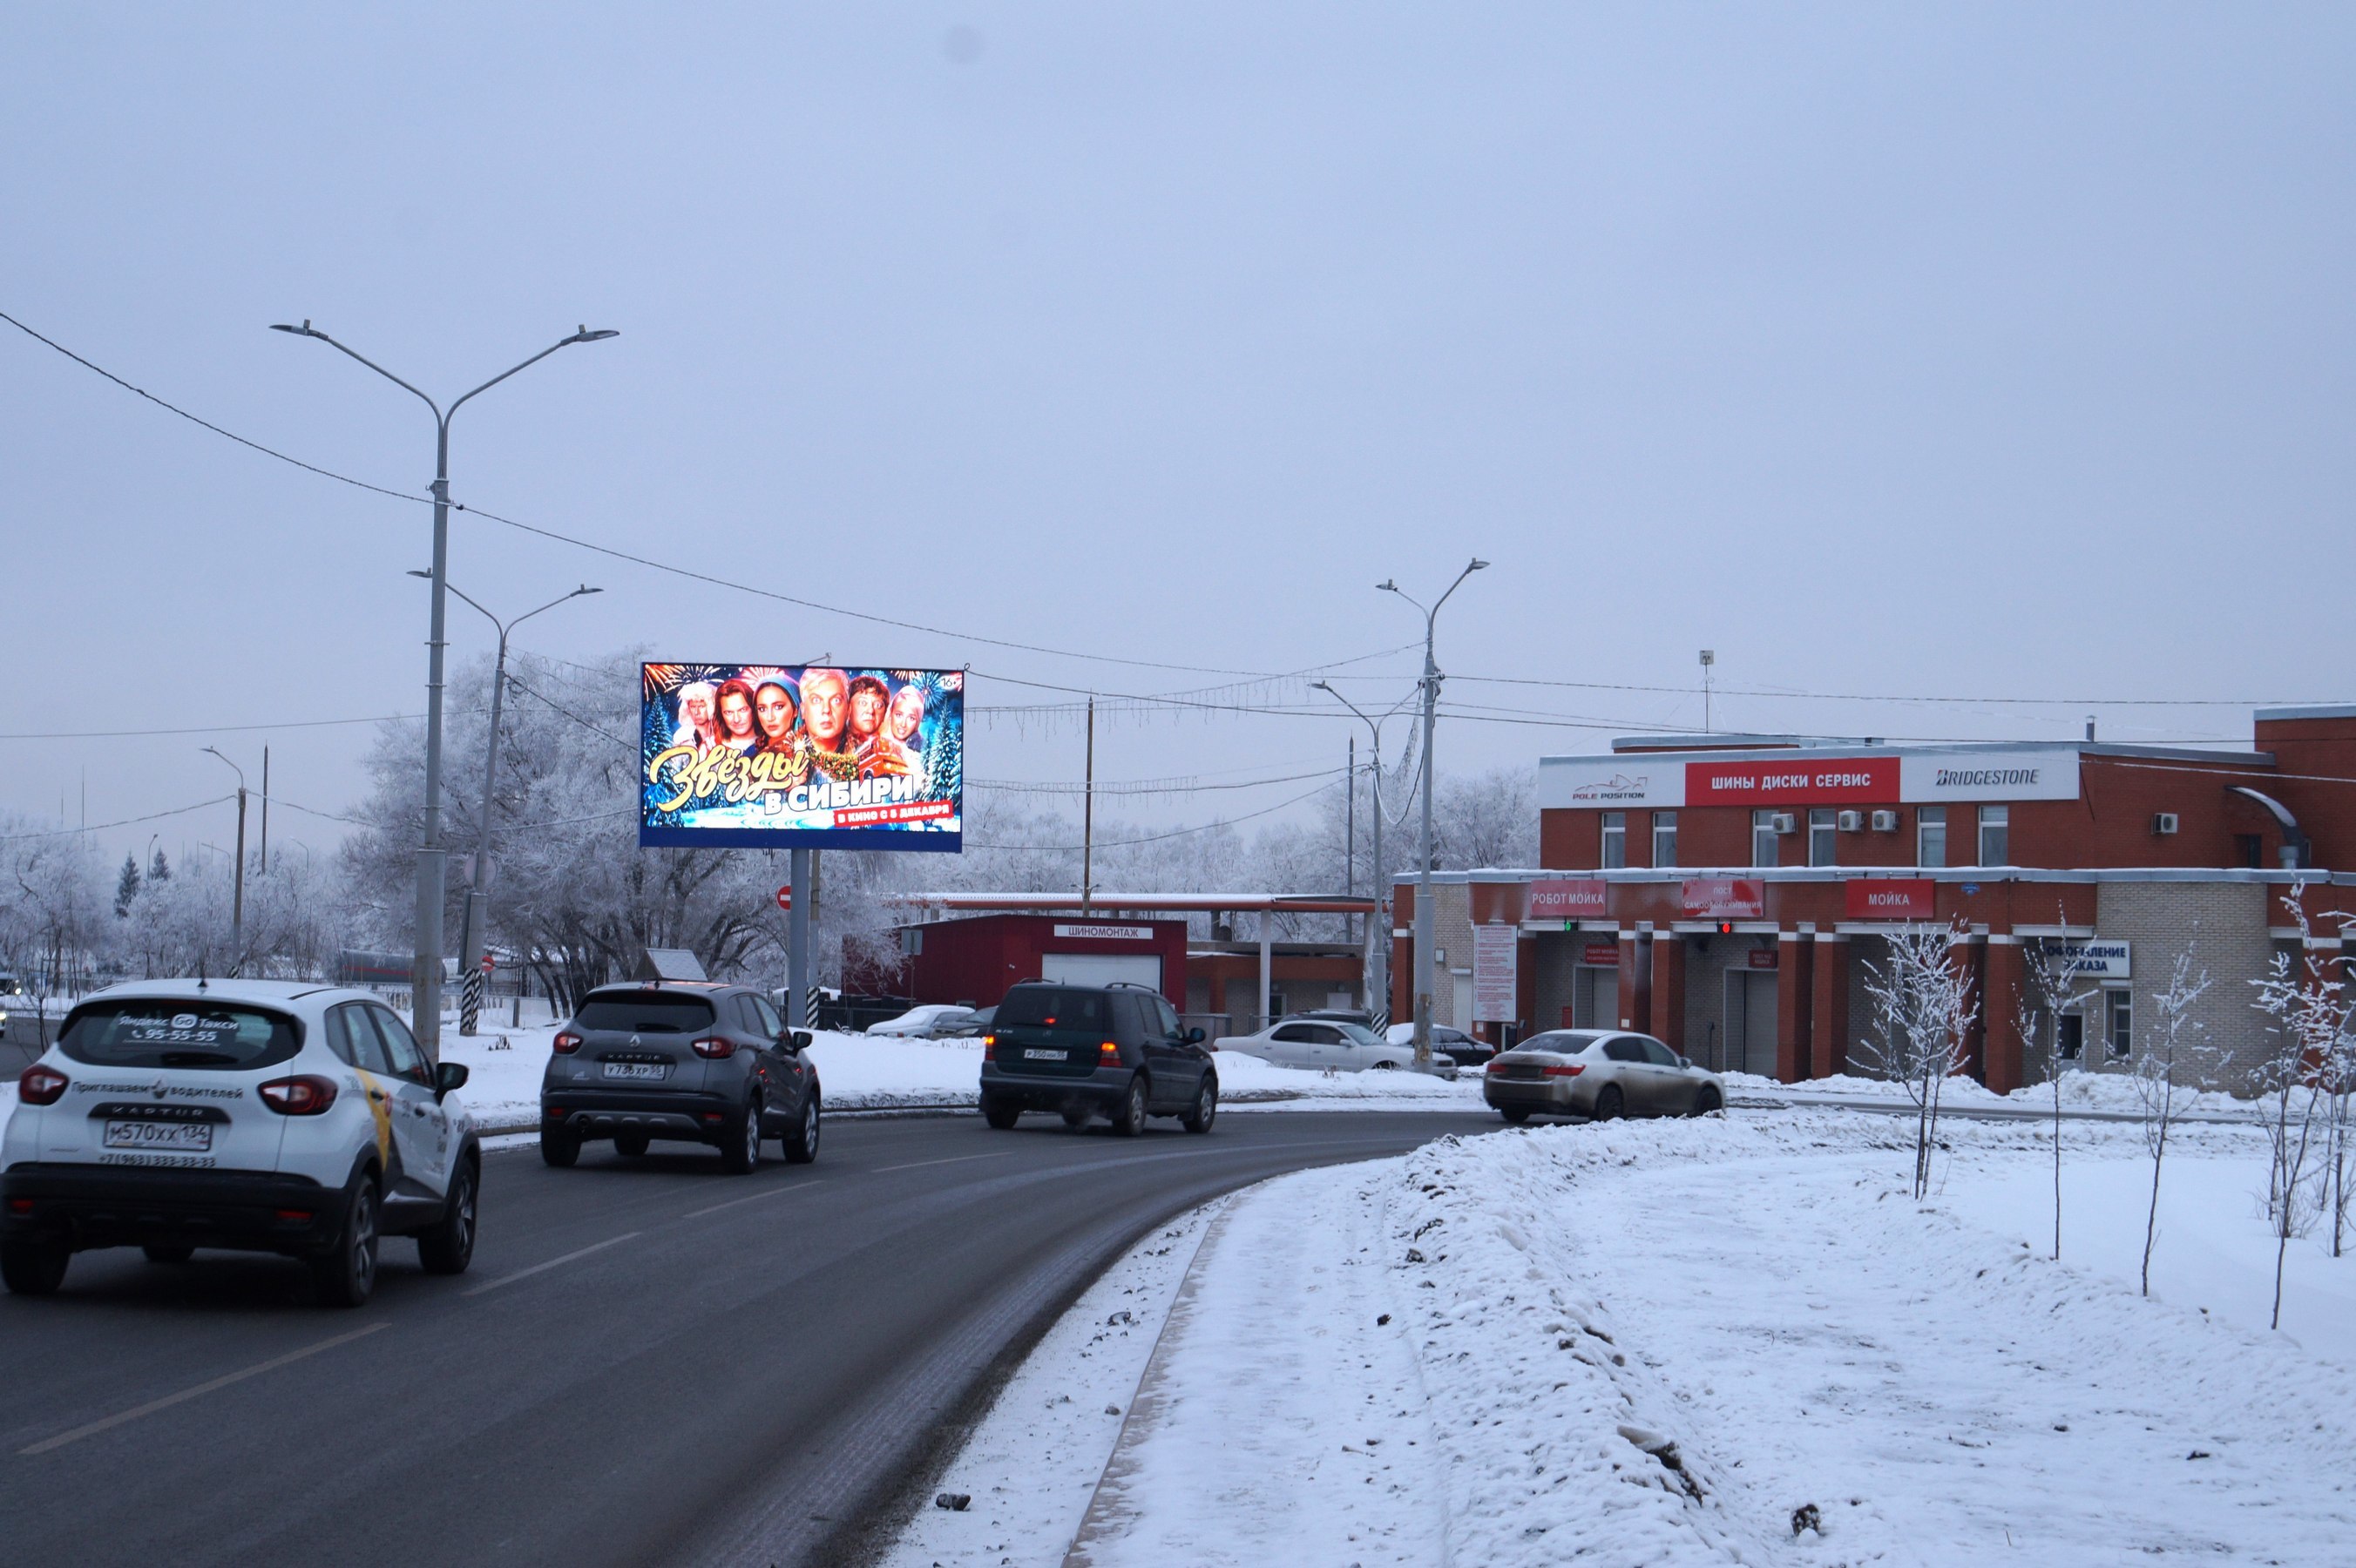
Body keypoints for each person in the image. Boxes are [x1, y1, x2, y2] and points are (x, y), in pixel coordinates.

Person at [798, 668, 856, 781]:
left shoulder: (865, 756)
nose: (826, 710)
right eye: (816, 700)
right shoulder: (779, 761)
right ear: (803, 710)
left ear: (848, 710)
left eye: (836, 700)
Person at [863, 682, 924, 778]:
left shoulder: (922, 755)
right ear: (891, 713)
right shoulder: (877, 743)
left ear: (917, 722)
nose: (903, 724)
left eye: (911, 718)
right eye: (899, 715)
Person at [714, 678, 761, 754]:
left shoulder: (770, 743)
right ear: (721, 714)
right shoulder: (711, 746)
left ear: (753, 708)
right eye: (729, 712)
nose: (736, 719)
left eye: (743, 710)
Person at [673, 681, 720, 749]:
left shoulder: (721, 732)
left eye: (701, 706)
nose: (696, 712)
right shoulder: (683, 737)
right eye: (693, 707)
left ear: (711, 707)